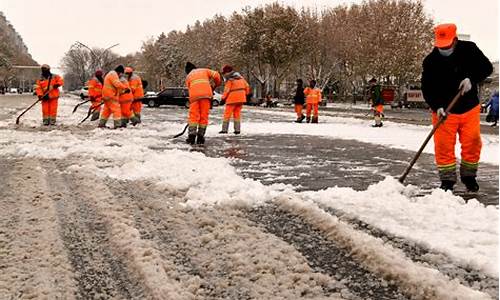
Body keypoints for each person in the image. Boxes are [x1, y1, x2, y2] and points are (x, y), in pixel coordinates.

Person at [421, 23, 493, 192]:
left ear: (455, 40)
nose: (444, 48)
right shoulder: (431, 61)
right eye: (441, 46)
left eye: (447, 45)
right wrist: (436, 106)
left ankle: (469, 177)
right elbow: (427, 87)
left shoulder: (469, 49)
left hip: (469, 107)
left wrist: (471, 79)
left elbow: (486, 68)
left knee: (472, 142)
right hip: (444, 111)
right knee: (444, 146)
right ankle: (447, 181)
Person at [185, 62, 222, 144]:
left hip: (194, 96)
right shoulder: (204, 70)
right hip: (206, 95)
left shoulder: (188, 76)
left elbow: (189, 88)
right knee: (204, 116)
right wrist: (217, 83)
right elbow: (216, 75)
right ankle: (200, 137)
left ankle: (191, 137)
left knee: (193, 116)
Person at [219, 65, 251, 134]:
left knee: (227, 114)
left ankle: (224, 130)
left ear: (227, 72)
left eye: (224, 73)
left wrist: (223, 99)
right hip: (241, 99)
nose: (224, 75)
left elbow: (226, 90)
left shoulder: (230, 80)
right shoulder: (242, 79)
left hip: (232, 99)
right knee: (237, 114)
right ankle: (237, 130)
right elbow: (247, 87)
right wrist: (247, 95)